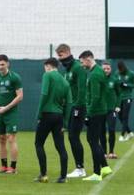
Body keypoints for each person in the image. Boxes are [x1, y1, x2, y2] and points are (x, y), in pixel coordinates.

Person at [34, 57, 71, 184]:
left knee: (39, 144)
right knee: (61, 147)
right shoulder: (65, 82)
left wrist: (39, 114)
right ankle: (63, 177)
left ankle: (43, 175)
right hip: (59, 117)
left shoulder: (47, 75)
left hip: (47, 115)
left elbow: (44, 94)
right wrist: (65, 121)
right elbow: (69, 103)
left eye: (45, 67)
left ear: (48, 66)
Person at [79, 51, 112, 182]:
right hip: (99, 111)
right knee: (93, 140)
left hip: (96, 112)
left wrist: (88, 114)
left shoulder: (95, 75)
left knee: (92, 141)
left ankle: (97, 173)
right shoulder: (96, 72)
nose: (81, 65)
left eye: (82, 62)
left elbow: (96, 97)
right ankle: (104, 167)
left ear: (88, 59)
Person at [55, 43, 87, 178]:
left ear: (67, 52)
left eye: (61, 56)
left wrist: (78, 107)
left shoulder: (78, 68)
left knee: (73, 136)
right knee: (72, 137)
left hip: (78, 107)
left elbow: (82, 89)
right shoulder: (67, 70)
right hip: (69, 107)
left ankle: (80, 168)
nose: (60, 59)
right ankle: (80, 167)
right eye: (58, 57)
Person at [0, 54, 23, 174]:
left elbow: (20, 96)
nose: (0, 67)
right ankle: (3, 166)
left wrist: (6, 108)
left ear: (8, 64)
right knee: (1, 139)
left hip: (11, 112)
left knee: (11, 138)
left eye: (2, 64)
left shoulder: (15, 77)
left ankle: (13, 167)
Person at [100, 61, 121, 159]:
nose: (106, 70)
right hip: (100, 110)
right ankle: (104, 152)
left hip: (111, 110)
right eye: (104, 68)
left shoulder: (115, 80)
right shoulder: (98, 79)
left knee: (111, 130)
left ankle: (111, 152)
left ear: (111, 69)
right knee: (101, 131)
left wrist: (117, 105)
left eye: (108, 68)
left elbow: (119, 94)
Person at [115, 60, 134, 142]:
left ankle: (122, 135)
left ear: (124, 67)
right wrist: (118, 84)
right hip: (119, 98)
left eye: (121, 69)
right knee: (120, 117)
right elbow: (115, 83)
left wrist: (126, 85)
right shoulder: (116, 73)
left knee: (125, 116)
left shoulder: (131, 73)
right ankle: (129, 132)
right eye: (119, 69)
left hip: (128, 97)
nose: (120, 71)